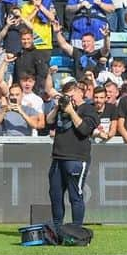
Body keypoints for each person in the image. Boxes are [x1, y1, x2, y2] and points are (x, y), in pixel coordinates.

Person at [48, 79, 98, 230]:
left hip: (76, 158)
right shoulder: (61, 108)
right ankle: (57, 228)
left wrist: (71, 111)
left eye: (71, 95)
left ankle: (76, 229)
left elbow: (84, 129)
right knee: (55, 195)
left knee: (75, 195)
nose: (69, 99)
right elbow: (48, 121)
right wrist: (58, 107)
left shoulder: (88, 109)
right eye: (66, 96)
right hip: (58, 157)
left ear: (79, 92)